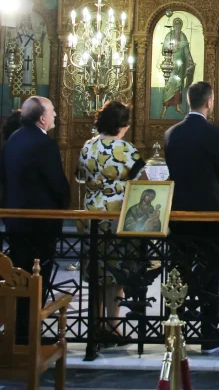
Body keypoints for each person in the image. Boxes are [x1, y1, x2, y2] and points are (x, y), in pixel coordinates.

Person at [165, 80, 219, 353]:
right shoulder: (215, 135)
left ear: (187, 99)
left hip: (179, 212)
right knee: (210, 270)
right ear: (209, 102)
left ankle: (177, 329)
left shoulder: (171, 133)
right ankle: (208, 333)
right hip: (210, 213)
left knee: (180, 270)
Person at [0, 97, 70, 342]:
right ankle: (30, 335)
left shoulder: (12, 141)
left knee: (18, 277)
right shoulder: (44, 144)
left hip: (15, 222)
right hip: (41, 224)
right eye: (52, 112)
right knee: (37, 278)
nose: (55, 116)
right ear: (42, 117)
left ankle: (17, 332)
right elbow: (57, 184)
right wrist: (64, 208)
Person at [78, 100, 145, 344]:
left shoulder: (88, 146)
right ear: (123, 125)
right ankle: (112, 326)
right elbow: (141, 179)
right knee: (115, 274)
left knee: (95, 271)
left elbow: (79, 175)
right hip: (116, 216)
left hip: (91, 215)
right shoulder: (126, 150)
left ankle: (94, 324)